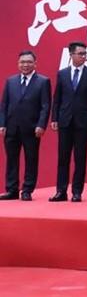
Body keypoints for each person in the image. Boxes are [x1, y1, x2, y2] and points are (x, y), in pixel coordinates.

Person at [49, 42, 87, 202]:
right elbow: (57, 98)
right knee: (63, 157)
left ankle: (77, 192)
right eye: (80, 53)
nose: (83, 56)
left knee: (80, 157)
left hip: (83, 121)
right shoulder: (62, 74)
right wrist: (54, 118)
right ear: (71, 55)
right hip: (64, 120)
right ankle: (61, 191)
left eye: (85, 53)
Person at [0, 51, 51, 201]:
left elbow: (45, 106)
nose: (25, 65)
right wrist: (2, 124)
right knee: (11, 159)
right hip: (11, 127)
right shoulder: (11, 81)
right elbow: (4, 105)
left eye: (29, 62)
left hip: (32, 128)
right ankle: (12, 189)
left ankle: (27, 189)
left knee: (31, 159)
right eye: (22, 62)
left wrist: (41, 125)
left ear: (35, 64)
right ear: (18, 64)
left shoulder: (43, 81)